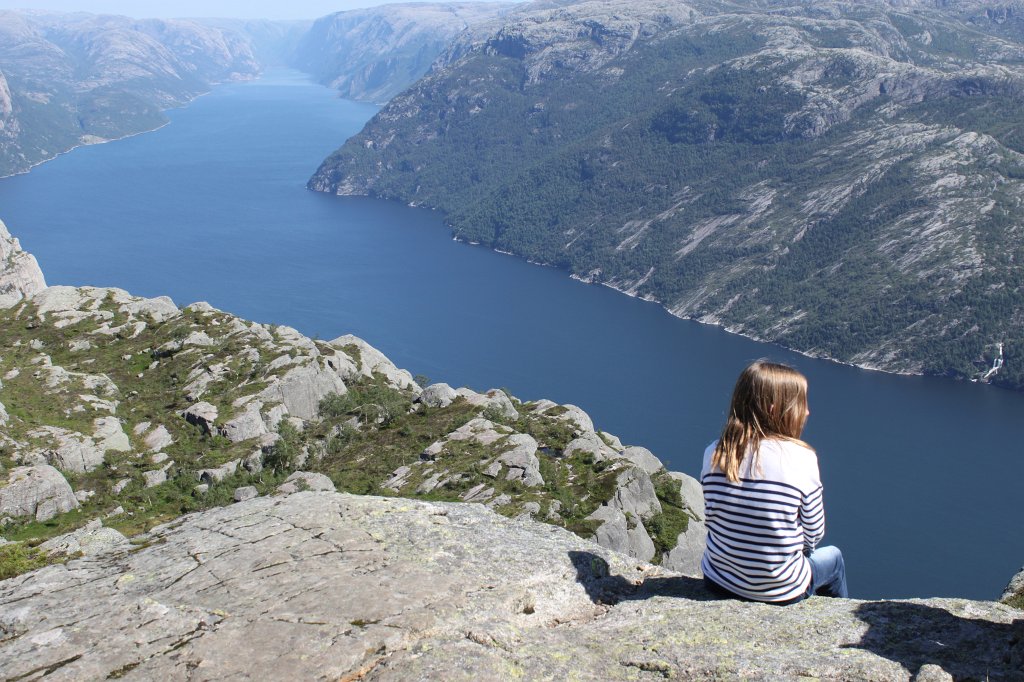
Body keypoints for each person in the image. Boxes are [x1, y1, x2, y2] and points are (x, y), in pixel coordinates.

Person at [701, 360, 848, 604]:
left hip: (718, 580)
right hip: (780, 590)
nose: (808, 411)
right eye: (801, 404)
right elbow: (813, 535)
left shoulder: (714, 452)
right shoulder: (802, 458)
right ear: (774, 409)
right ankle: (839, 618)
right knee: (834, 558)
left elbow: (713, 515)